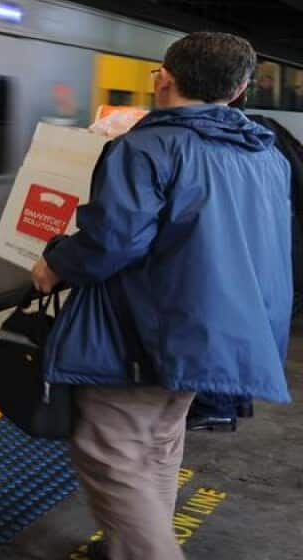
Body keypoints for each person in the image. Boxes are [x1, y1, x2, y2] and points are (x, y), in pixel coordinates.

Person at [31, 32, 293, 560]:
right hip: (225, 331)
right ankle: (142, 541)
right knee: (159, 440)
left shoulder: (146, 147)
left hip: (151, 327)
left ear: (164, 79)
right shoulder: (265, 155)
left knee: (110, 451)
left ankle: (147, 550)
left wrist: (54, 262)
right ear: (240, 89)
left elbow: (113, 242)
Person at [185, 85, 303, 432]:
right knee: (246, 323)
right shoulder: (263, 133)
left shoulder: (230, 140)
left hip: (265, 247)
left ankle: (219, 405)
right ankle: (234, 401)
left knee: (227, 319)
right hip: (276, 249)